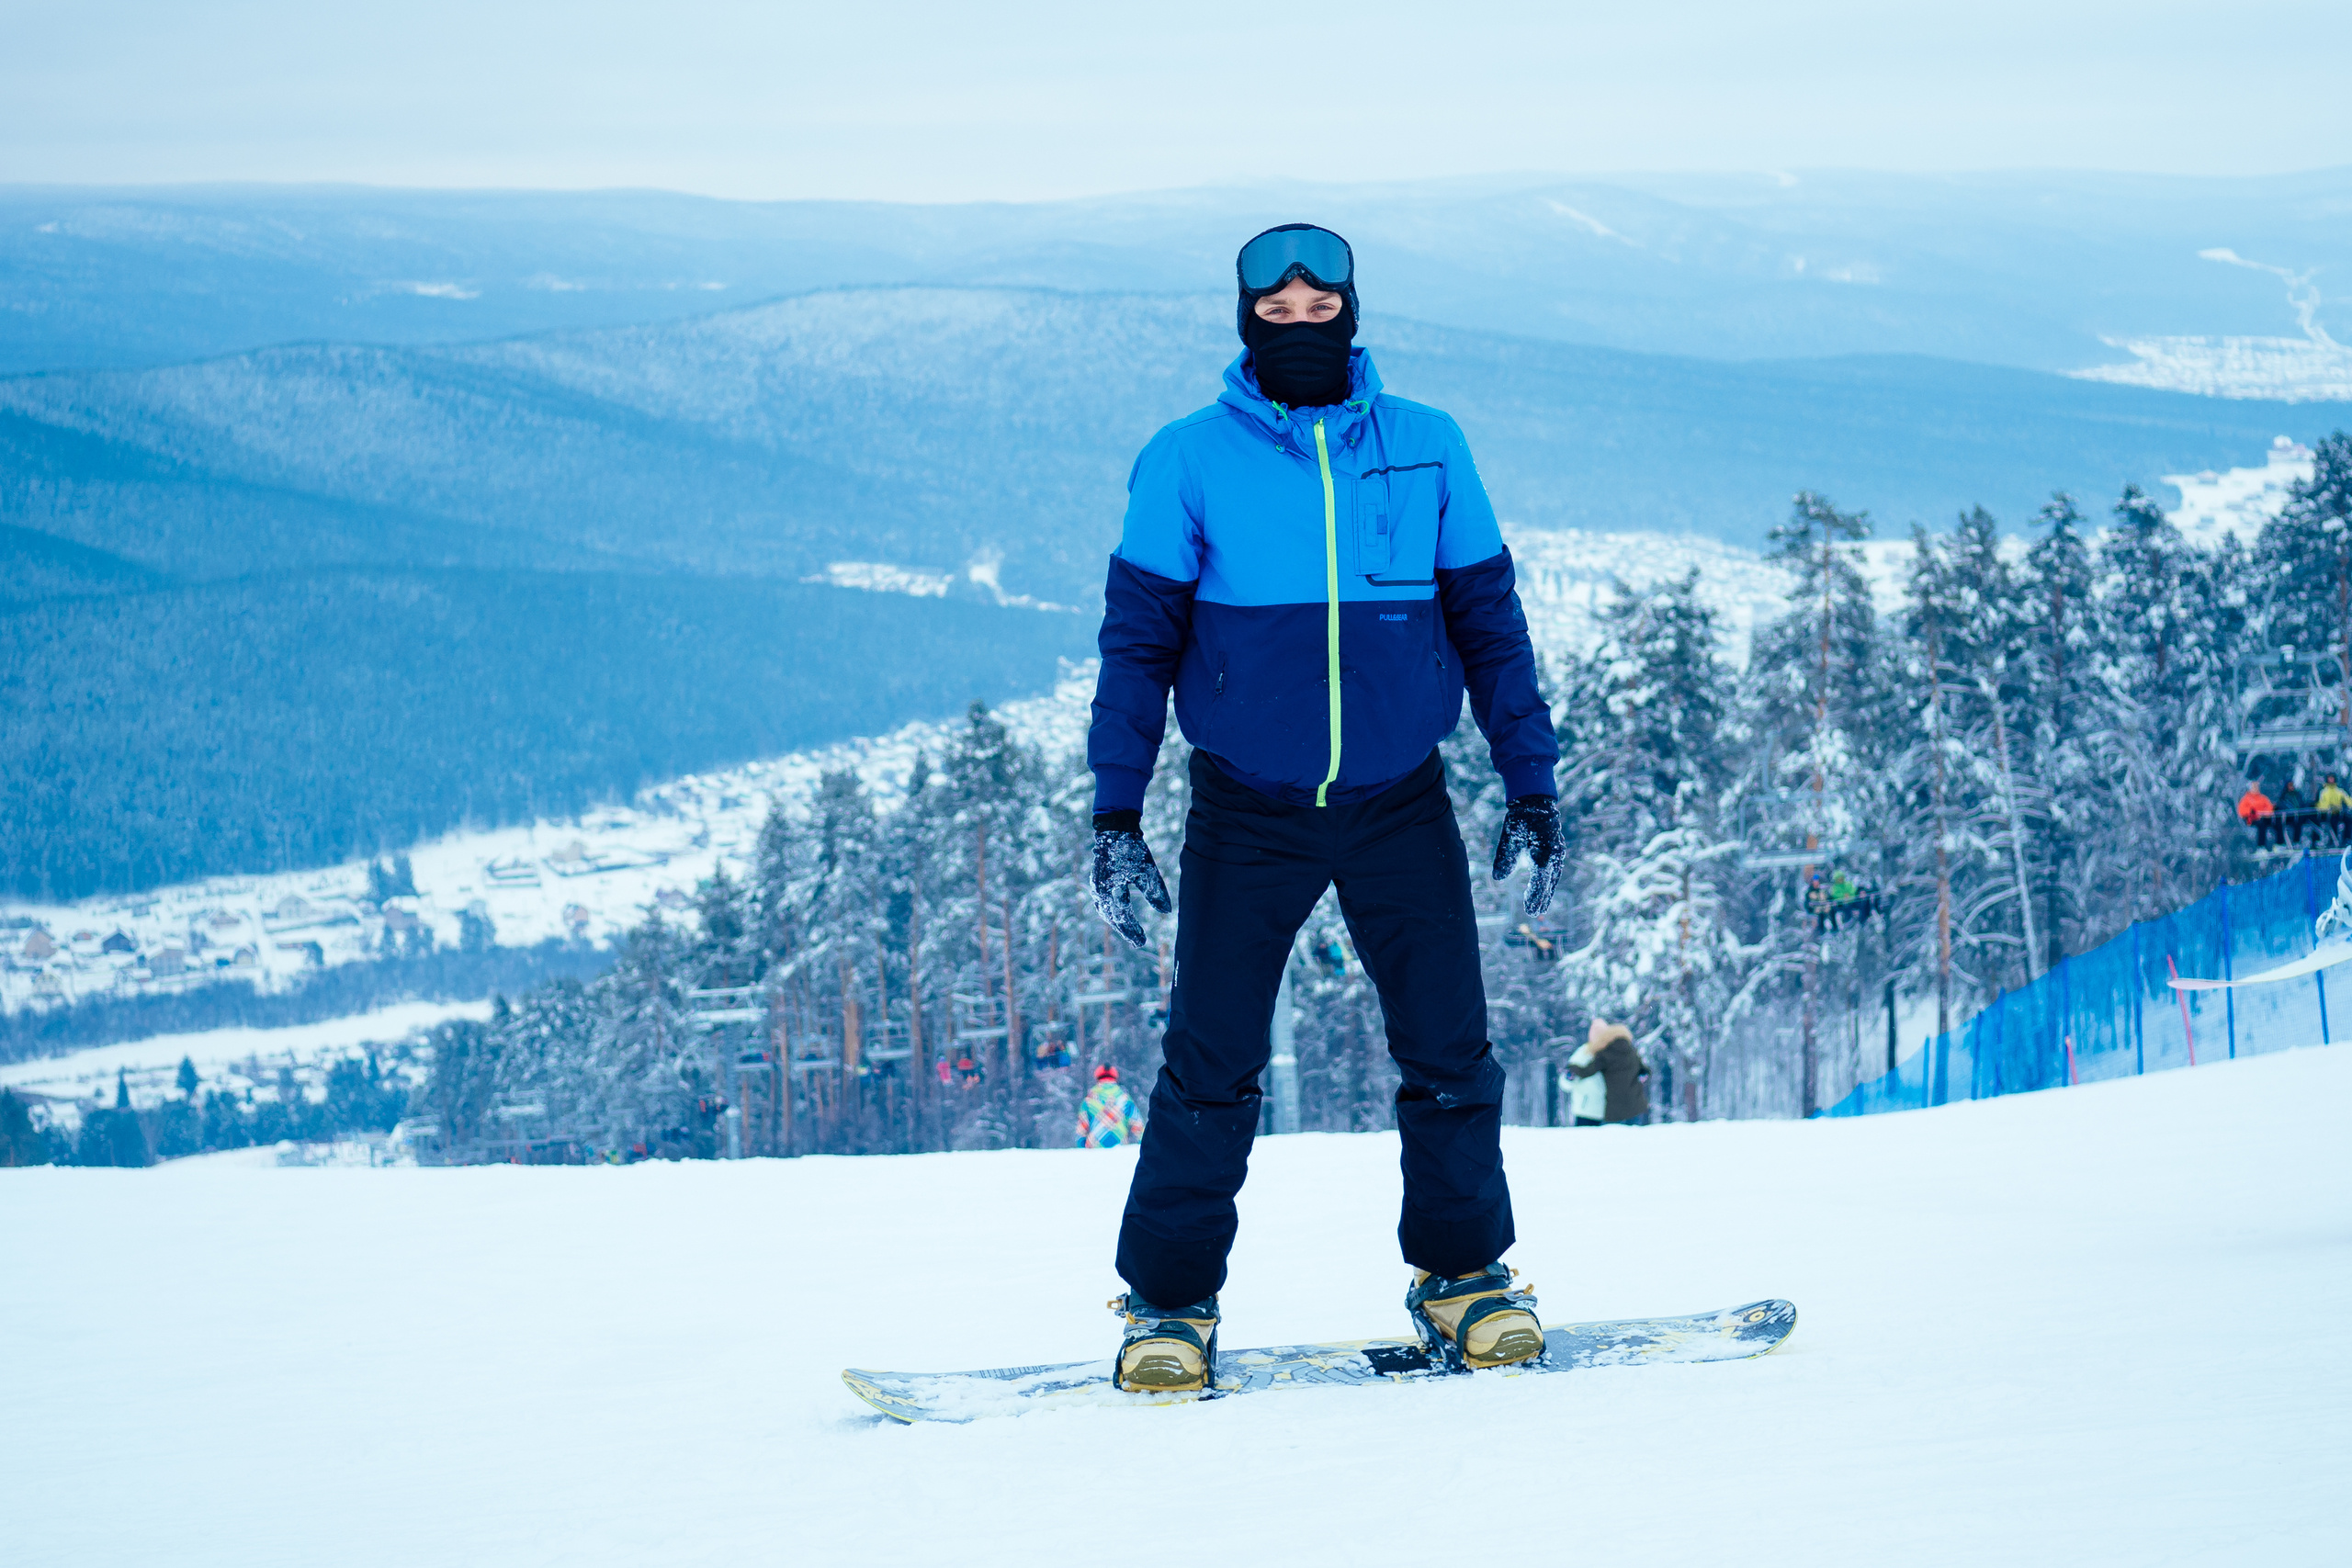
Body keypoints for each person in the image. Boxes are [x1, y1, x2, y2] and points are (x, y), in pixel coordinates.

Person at [1085, 223, 1566, 1392]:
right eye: (1277, 314)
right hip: (1247, 811)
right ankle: (1169, 1306)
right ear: (1245, 322)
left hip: (1401, 799)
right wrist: (1114, 812)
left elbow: (1490, 628)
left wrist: (1530, 783)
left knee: (1450, 1050)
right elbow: (1139, 646)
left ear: (1350, 313)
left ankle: (1464, 1284)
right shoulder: (1188, 458)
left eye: (1320, 311)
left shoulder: (1426, 445)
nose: (1301, 330)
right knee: (1210, 1061)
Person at [1566, 1020, 1650, 1125]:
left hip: (1616, 1108)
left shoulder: (1605, 1054)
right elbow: (1643, 1069)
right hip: (1637, 1105)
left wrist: (1573, 1068)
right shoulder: (1631, 1050)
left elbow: (1586, 1071)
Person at [1076, 1066, 1146, 1148]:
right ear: (1115, 1077)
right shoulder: (1124, 1098)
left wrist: (1081, 1147)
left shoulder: (1089, 1099)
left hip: (1094, 1149)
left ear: (1097, 1078)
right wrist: (1144, 1144)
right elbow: (1137, 1124)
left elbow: (1082, 1128)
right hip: (1120, 1148)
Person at [2239, 780, 2277, 847]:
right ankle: (2261, 846)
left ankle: (2280, 843)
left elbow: (2269, 807)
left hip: (2263, 817)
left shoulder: (2263, 798)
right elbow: (2241, 810)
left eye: (2256, 787)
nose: (2255, 789)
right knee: (2261, 825)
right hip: (2252, 819)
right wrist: (2252, 811)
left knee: (2277, 822)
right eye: (2254, 787)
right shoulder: (2246, 798)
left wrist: (2265, 814)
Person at [2318, 773, 2351, 846]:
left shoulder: (2339, 791)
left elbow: (2348, 800)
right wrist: (2329, 808)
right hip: (2329, 814)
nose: (2331, 780)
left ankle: (2346, 839)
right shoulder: (2324, 792)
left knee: (2348, 820)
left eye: (2332, 778)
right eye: (2329, 778)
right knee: (2333, 822)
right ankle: (2332, 841)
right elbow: (2322, 804)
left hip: (2339, 813)